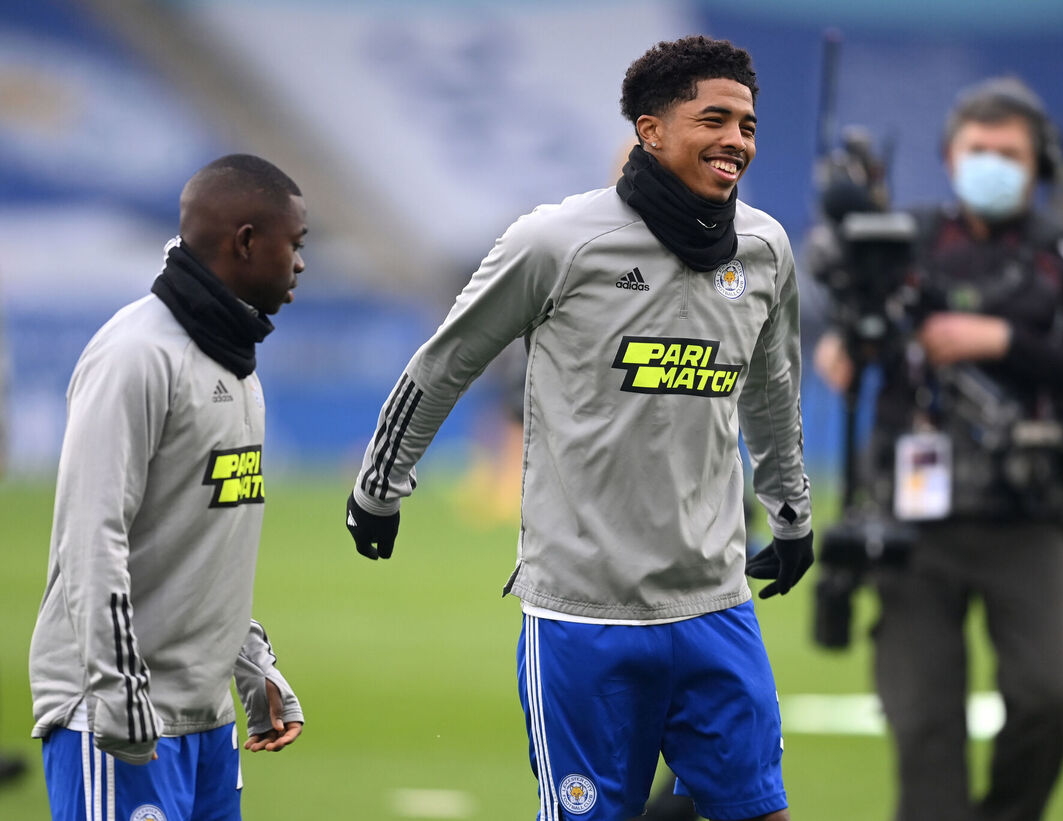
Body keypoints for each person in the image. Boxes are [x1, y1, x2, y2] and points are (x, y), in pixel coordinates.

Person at [345, 35, 814, 821]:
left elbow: (771, 395)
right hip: (581, 616)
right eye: (715, 119)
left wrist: (792, 512)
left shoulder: (765, 251)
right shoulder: (554, 242)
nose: (737, 140)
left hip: (716, 604)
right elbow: (445, 361)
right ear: (650, 129)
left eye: (748, 125)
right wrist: (379, 486)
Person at [811, 77, 1063, 821]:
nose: (991, 164)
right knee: (924, 722)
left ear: (1038, 163)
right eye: (977, 151)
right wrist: (844, 346)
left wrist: (1003, 341)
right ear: (951, 158)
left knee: (1047, 696)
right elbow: (854, 319)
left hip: (1026, 514)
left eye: (1007, 153)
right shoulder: (903, 246)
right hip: (911, 521)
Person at [29, 154, 308, 820]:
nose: (300, 263)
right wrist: (117, 692)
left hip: (204, 720)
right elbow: (90, 538)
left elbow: (207, 543)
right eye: (294, 245)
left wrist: (249, 662)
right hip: (121, 717)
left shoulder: (236, 364)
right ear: (244, 241)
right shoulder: (137, 356)